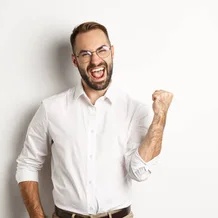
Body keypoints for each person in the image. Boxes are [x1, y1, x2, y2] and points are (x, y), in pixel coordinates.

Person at [15, 21, 173, 218]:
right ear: (75, 60)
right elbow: (27, 164)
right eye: (85, 54)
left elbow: (139, 173)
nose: (95, 60)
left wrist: (160, 117)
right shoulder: (51, 109)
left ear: (112, 52)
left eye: (102, 50)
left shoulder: (134, 110)